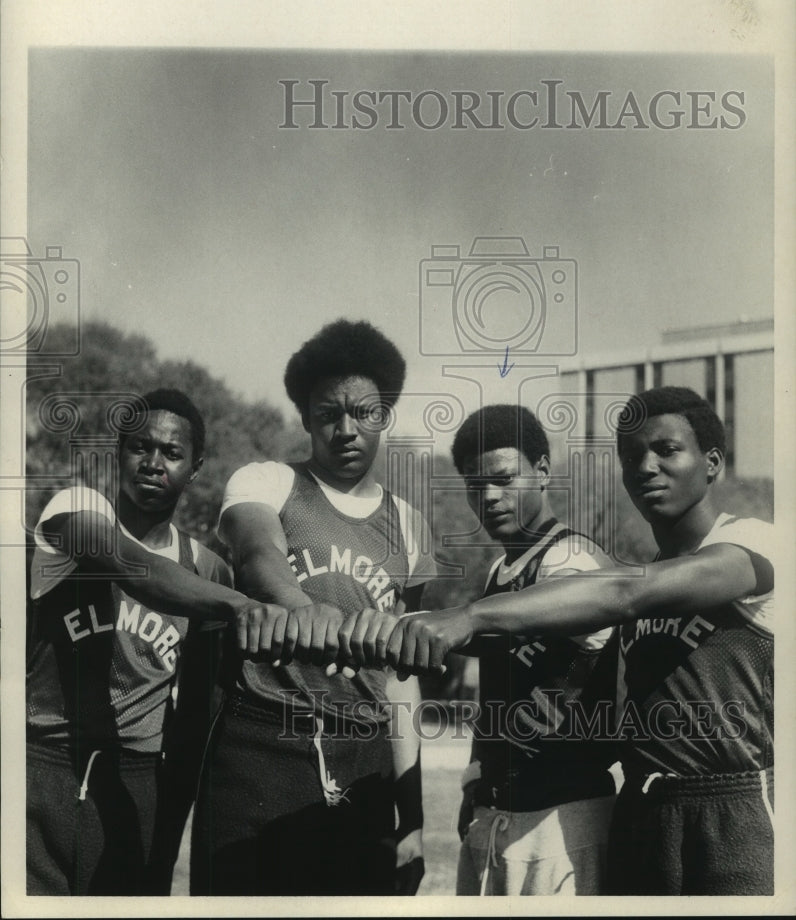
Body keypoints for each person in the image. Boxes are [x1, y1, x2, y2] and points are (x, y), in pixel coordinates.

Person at [384, 387, 775, 896]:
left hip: (732, 805)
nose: (647, 467)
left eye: (668, 450)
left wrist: (467, 616)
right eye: (632, 456)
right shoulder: (641, 577)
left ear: (713, 462)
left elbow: (627, 593)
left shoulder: (757, 540)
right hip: (644, 808)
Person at [190, 319, 437, 896]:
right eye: (328, 414)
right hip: (262, 743)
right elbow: (256, 554)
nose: (346, 429)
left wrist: (414, 817)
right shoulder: (269, 480)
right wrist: (304, 608)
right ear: (305, 418)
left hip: (365, 751)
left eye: (363, 413)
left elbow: (401, 685)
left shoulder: (410, 526)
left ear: (385, 415)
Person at [27, 388, 287, 896]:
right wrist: (243, 606)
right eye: (139, 447)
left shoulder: (207, 570)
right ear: (117, 454)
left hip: (138, 780)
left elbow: (194, 714)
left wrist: (167, 832)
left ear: (194, 468)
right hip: (46, 764)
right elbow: (132, 565)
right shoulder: (73, 512)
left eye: (171, 453)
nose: (152, 463)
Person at [448, 405, 618, 896]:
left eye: (504, 479)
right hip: (501, 812)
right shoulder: (498, 573)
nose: (490, 496)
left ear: (542, 471)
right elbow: (493, 700)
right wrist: (474, 784)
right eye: (475, 485)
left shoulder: (569, 557)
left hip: (564, 818)